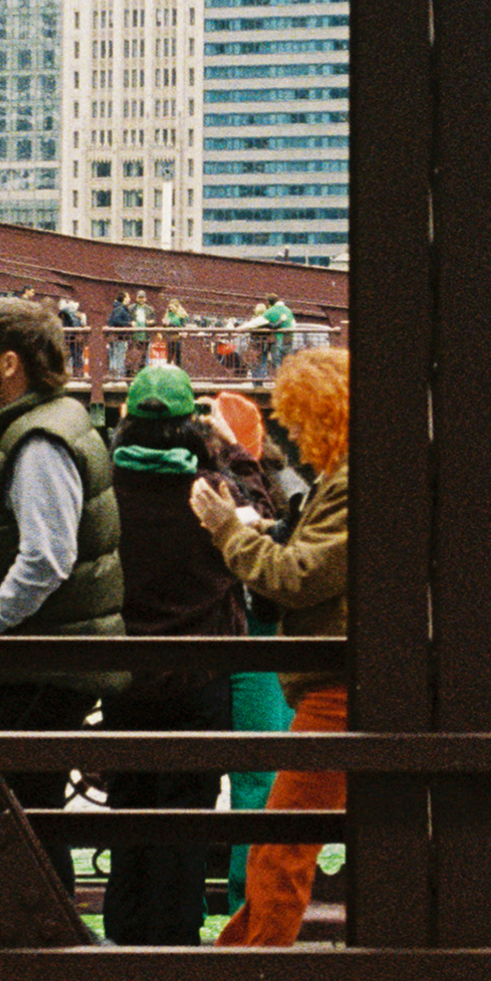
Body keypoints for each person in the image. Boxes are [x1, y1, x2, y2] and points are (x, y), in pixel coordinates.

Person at [151, 346, 349, 981]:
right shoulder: (353, 480)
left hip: (338, 693)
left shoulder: (355, 484)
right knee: (395, 842)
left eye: (299, 419)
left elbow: (295, 576)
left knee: (280, 848)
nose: (293, 434)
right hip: (349, 686)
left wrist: (226, 527)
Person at [0, 295, 126, 895]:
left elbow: (47, 558)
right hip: (51, 656)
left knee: (23, 821)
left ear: (8, 365)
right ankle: (57, 955)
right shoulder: (57, 422)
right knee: (32, 814)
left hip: (35, 661)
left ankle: (56, 954)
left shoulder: (37, 443)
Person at [99, 365, 245, 945]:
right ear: (192, 425)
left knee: (128, 810)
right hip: (198, 675)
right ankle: (176, 944)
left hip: (124, 674)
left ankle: (125, 937)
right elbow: (266, 530)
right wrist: (236, 453)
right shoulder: (214, 491)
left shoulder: (107, 491)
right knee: (186, 819)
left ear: (126, 420)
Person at [207, 388, 302, 907]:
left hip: (224, 633)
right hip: (264, 639)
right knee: (260, 774)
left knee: (222, 772)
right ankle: (253, 896)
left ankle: (225, 896)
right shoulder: (284, 483)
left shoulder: (211, 480)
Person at [106, 291, 134, 381]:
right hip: (120, 336)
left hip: (115, 336)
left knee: (114, 355)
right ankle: (118, 377)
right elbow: (116, 321)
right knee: (119, 356)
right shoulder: (121, 309)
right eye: (128, 297)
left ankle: (113, 376)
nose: (130, 299)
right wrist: (129, 324)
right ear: (124, 298)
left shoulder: (117, 308)